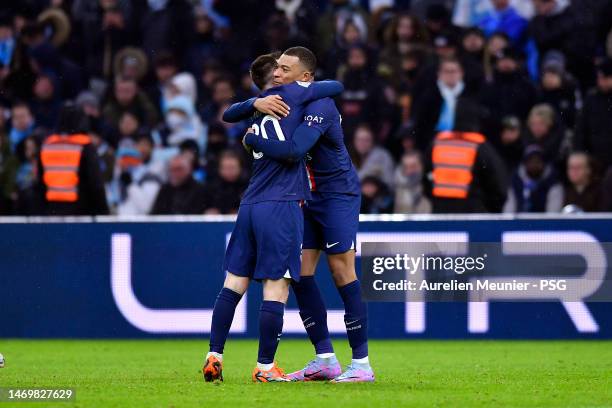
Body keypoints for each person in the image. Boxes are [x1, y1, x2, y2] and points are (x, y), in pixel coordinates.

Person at [226, 47, 374, 383]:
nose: (277, 72)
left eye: (285, 68)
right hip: (305, 197)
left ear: (305, 77)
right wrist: (253, 105)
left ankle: (362, 364)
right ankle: (325, 358)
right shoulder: (283, 103)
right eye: (276, 67)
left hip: (337, 195)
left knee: (341, 270)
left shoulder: (321, 105)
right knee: (301, 275)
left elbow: (295, 152)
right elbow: (231, 112)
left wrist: (251, 138)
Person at [203, 51, 344, 383]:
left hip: (250, 203)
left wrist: (253, 106)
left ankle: (214, 354)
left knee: (233, 283)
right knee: (276, 287)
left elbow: (227, 113)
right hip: (281, 205)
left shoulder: (255, 112)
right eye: (279, 69)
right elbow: (336, 86)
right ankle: (265, 367)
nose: (282, 73)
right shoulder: (298, 93)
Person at [424, 107, 508, 213]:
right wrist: (492, 211)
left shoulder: (437, 144)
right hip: (473, 214)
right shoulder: (481, 148)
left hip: (441, 213)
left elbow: (426, 181)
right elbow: (499, 187)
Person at [37, 104, 109, 216]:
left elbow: (40, 183)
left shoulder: (47, 145)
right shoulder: (85, 146)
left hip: (52, 210)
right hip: (81, 212)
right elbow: (96, 184)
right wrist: (104, 213)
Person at [574, 58, 612, 172]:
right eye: (599, 78)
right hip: (595, 160)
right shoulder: (591, 98)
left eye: (605, 78)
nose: (601, 82)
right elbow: (581, 129)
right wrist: (581, 153)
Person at [503, 145, 563, 213]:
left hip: (543, 222)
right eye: (531, 161)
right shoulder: (516, 181)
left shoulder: (553, 182)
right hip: (519, 222)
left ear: (543, 163)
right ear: (525, 163)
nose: (534, 165)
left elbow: (553, 214)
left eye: (537, 161)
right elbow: (509, 209)